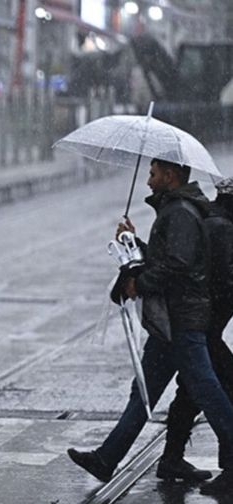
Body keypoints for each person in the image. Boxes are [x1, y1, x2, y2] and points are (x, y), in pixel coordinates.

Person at [67, 159, 233, 496]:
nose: (147, 181)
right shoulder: (174, 210)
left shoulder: (181, 213)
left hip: (183, 321)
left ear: (170, 176)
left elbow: (179, 266)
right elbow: (167, 258)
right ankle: (106, 458)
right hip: (169, 323)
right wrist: (133, 243)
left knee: (207, 392)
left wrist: (139, 284)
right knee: (143, 393)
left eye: (153, 173)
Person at [156, 176, 233, 482]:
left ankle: (171, 458)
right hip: (204, 327)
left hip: (198, 325)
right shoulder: (222, 229)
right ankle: (230, 471)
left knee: (191, 391)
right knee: (224, 389)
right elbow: (222, 282)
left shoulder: (214, 220)